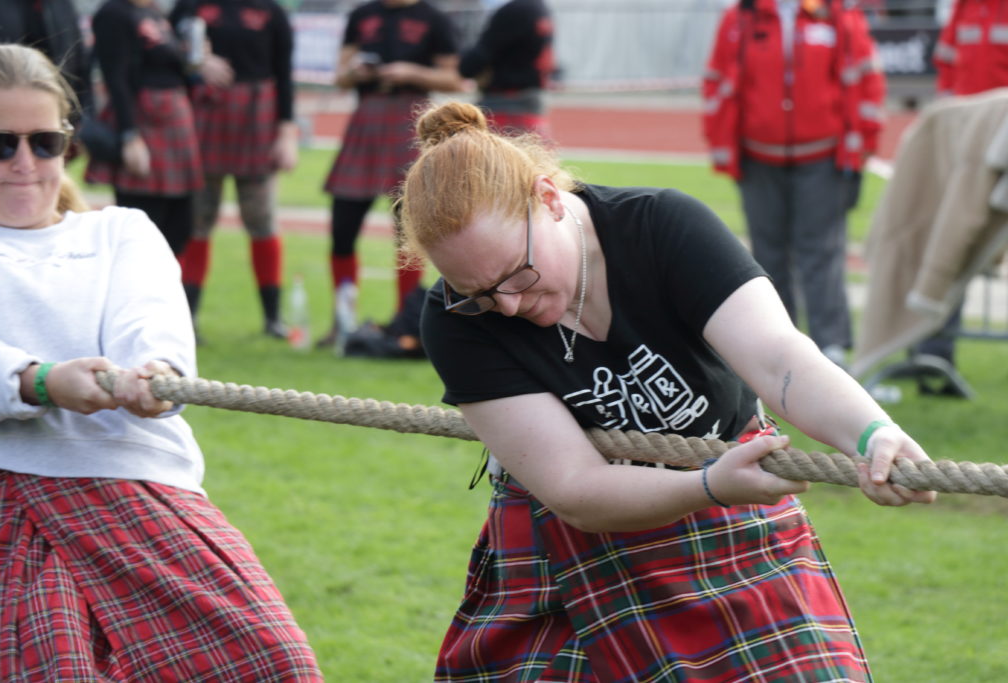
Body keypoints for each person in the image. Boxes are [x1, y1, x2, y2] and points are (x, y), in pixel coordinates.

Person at [397, 100, 936, 681]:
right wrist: (710, 485)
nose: (506, 306)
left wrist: (871, 432)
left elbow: (780, 358)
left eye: (516, 275)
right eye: (477, 293)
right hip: (579, 528)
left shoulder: (661, 226)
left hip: (727, 503)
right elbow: (574, 487)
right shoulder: (454, 320)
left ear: (548, 199)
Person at [0, 43, 322, 681]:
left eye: (44, 143)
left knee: (276, 665)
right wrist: (38, 382)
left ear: (68, 143)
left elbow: (152, 327)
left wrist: (155, 377)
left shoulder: (121, 232)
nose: (24, 164)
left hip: (139, 486)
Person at [702, 0, 886, 368]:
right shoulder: (741, 16)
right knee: (766, 256)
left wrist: (862, 144)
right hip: (758, 157)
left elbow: (866, 81)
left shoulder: (837, 13)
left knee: (821, 253)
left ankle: (830, 347)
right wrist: (724, 144)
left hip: (822, 156)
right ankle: (777, 346)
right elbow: (717, 80)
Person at [319, 0, 461, 348]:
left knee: (407, 231)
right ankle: (342, 323)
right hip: (367, 120)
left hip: (410, 122)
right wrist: (357, 73)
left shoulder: (433, 18)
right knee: (342, 228)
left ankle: (405, 322)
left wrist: (410, 72)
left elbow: (454, 78)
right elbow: (340, 75)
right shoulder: (362, 15)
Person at [169, 0, 299, 339]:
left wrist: (286, 132)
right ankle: (186, 318)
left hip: (257, 116)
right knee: (197, 221)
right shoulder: (190, 5)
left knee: (261, 219)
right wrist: (198, 60)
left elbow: (284, 73)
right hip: (202, 116)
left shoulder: (271, 10)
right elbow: (167, 54)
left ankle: (273, 319)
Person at [911, 0, 1008, 392]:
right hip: (967, 151)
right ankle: (933, 354)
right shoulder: (964, 9)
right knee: (953, 246)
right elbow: (948, 75)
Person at [84, 0, 204, 258]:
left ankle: (171, 283)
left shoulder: (154, 11)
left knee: (181, 223)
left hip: (174, 119)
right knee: (142, 224)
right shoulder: (113, 12)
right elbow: (115, 76)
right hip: (142, 122)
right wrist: (130, 135)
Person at [458, 0, 555, 139]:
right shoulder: (539, 7)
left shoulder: (516, 10)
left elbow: (470, 65)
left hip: (505, 106)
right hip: (530, 103)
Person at [0, 0, 93, 119]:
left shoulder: (60, 5)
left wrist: (79, 117)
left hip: (55, 108)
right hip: (0, 105)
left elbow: (78, 60)